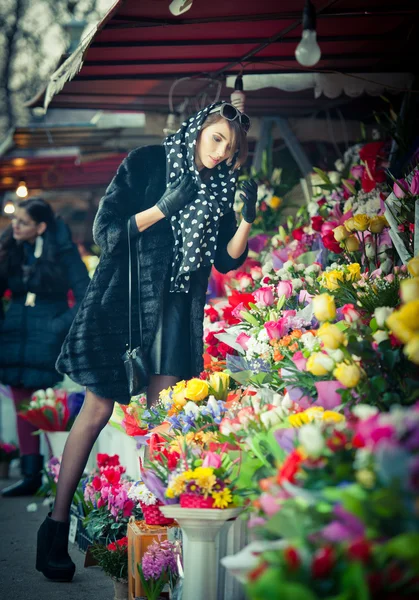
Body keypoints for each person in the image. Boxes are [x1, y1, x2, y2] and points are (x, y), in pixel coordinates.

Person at [35, 102, 258, 582]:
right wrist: (162, 208)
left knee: (162, 425)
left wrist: (246, 219)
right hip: (125, 306)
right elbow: (105, 234)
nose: (221, 153)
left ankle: (153, 547)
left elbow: (225, 260)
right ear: (199, 129)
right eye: (217, 139)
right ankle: (54, 528)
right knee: (96, 411)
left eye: (232, 148)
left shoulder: (221, 188)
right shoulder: (146, 162)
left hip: (177, 312)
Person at [0, 197, 90, 497]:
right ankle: (29, 474)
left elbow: (85, 295)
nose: (15, 226)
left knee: (47, 404)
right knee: (21, 403)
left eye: (23, 222)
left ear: (40, 226)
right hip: (14, 332)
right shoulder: (10, 247)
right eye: (15, 220)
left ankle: (56, 474)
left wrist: (56, 325)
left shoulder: (63, 251)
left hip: (48, 334)